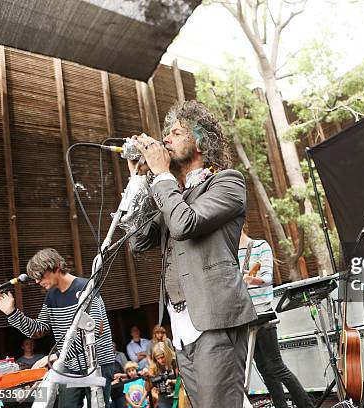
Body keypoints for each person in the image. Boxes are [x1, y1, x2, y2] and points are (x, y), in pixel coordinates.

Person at [128, 99, 256, 407]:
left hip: (215, 318)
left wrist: (161, 176)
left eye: (175, 133)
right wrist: (138, 179)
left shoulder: (226, 182)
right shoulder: (173, 194)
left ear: (200, 141)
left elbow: (186, 224)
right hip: (181, 326)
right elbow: (138, 241)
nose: (166, 140)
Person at [0, 248, 115, 406]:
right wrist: (12, 313)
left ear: (56, 267)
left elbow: (95, 331)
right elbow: (38, 329)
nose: (37, 281)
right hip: (70, 366)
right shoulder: (51, 296)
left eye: (40, 275)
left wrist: (54, 356)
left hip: (98, 364)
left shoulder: (87, 288)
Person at [239, 227, 314, 408]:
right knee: (264, 369)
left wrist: (251, 280)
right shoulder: (228, 254)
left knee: (276, 366)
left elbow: (267, 277)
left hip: (262, 313)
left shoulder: (259, 246)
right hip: (244, 316)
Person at [147, 342, 177, 408]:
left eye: (162, 357)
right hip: (163, 396)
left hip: (177, 393)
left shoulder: (174, 362)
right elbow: (149, 388)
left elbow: (181, 380)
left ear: (167, 354)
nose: (161, 360)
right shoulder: (153, 367)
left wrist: (172, 381)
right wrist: (146, 378)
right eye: (158, 358)